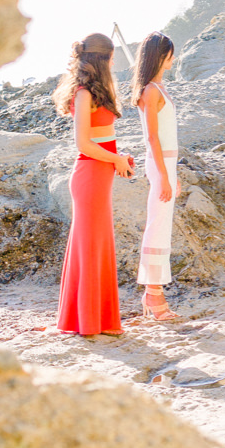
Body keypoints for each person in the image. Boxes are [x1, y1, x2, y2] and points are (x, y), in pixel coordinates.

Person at [53, 33, 134, 337]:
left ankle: (99, 320)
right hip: (89, 176)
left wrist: (119, 157)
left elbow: (104, 140)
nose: (115, 63)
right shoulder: (83, 93)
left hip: (100, 175)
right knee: (90, 249)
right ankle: (89, 323)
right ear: (102, 59)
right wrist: (116, 161)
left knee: (98, 247)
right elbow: (83, 144)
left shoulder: (96, 92)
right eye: (112, 58)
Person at [133, 32, 182, 321]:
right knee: (157, 227)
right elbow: (151, 137)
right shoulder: (151, 90)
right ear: (160, 57)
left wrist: (172, 175)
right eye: (170, 54)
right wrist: (163, 176)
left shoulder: (159, 88)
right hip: (160, 162)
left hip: (167, 163)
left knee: (162, 227)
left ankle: (154, 292)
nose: (173, 59)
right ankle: (153, 293)